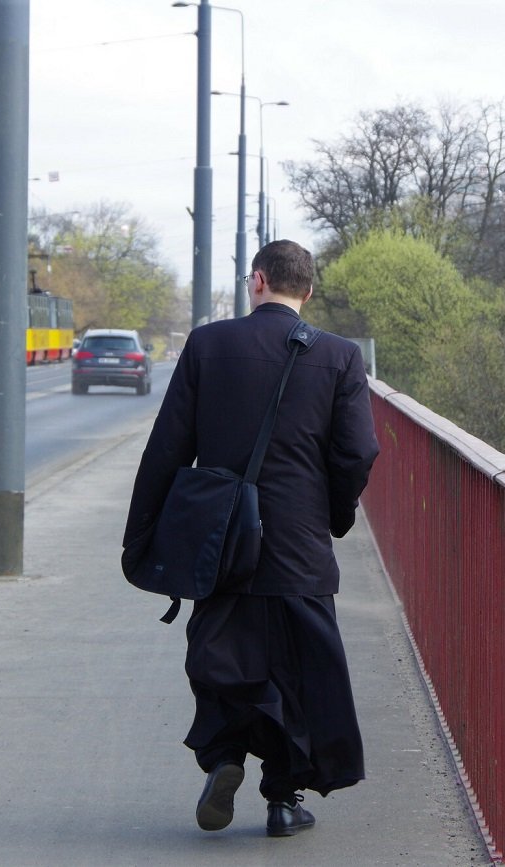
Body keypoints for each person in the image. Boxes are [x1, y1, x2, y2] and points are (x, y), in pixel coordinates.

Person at [123, 239, 379, 838]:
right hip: (298, 543)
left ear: (256, 280)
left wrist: (147, 534)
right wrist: (333, 516)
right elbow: (359, 451)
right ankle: (284, 800)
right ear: (307, 292)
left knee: (221, 655)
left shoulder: (209, 344)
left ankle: (225, 759)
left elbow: (168, 446)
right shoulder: (340, 357)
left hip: (223, 539)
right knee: (298, 671)